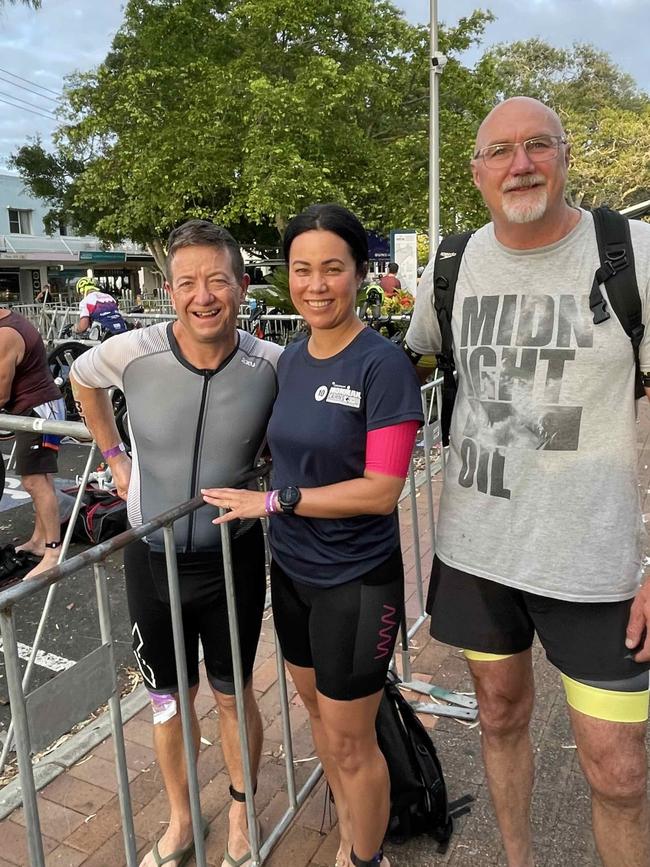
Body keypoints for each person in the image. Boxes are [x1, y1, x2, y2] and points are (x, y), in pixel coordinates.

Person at [405, 96, 650, 867]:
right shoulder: (449, 266)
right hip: (479, 550)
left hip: (599, 561)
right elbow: (399, 369)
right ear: (477, 173)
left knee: (619, 769)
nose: (520, 163)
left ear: (566, 155)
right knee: (500, 714)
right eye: (500, 151)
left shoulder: (632, 254)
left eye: (537, 144)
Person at [202, 203, 423, 867]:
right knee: (322, 720)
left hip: (356, 583)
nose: (316, 284)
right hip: (293, 573)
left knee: (354, 741)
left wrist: (274, 500)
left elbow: (382, 489)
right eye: (303, 269)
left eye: (333, 268)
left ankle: (365, 855)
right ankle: (355, 822)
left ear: (361, 272)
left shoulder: (382, 365)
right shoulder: (290, 360)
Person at [70, 220, 282, 867]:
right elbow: (82, 379)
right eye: (187, 282)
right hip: (151, 558)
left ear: (242, 287)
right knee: (167, 699)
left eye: (218, 279)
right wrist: (113, 455)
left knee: (230, 691)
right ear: (169, 289)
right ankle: (182, 817)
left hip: (231, 557)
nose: (204, 295)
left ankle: (242, 810)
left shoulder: (270, 365)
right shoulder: (133, 352)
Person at [0, 307, 65, 580]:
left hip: (38, 411)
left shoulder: (5, 334)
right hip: (39, 405)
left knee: (34, 482)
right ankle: (40, 541)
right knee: (41, 479)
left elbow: (1, 394)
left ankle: (53, 552)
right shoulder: (8, 322)